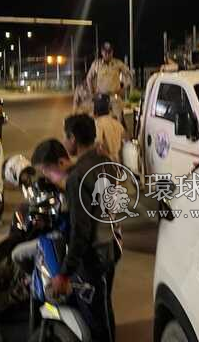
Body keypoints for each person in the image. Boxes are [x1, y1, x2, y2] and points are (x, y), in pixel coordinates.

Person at [51, 114, 121, 342]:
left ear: (73, 138)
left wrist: (64, 273)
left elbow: (80, 230)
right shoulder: (106, 161)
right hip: (111, 246)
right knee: (103, 306)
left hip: (93, 256)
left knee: (96, 317)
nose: (64, 141)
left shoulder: (77, 177)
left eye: (65, 136)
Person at [11, 139, 71, 274]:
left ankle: (34, 277)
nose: (46, 175)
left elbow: (72, 224)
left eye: (47, 170)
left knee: (17, 254)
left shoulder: (73, 185)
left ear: (61, 163)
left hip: (62, 241)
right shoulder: (72, 179)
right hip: (64, 237)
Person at [86, 42, 132, 122]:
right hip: (101, 96)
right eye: (105, 52)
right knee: (100, 121)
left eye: (109, 52)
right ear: (102, 52)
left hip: (115, 96)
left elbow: (129, 75)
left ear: (112, 52)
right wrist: (92, 93)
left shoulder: (118, 63)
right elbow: (89, 78)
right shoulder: (96, 64)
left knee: (120, 119)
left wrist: (123, 87)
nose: (107, 54)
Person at [93, 94, 125, 163]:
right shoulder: (117, 123)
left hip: (106, 162)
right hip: (118, 161)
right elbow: (124, 141)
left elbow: (99, 146)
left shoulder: (98, 124)